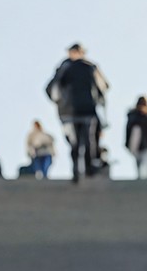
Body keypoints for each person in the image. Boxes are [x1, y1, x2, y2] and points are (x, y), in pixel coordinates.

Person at [45, 44, 108, 183]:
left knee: (77, 142)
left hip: (70, 112)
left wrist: (59, 103)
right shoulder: (90, 67)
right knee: (86, 140)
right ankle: (87, 169)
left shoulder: (65, 68)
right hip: (85, 110)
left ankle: (78, 171)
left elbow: (51, 89)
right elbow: (104, 87)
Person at [125, 96, 147, 179]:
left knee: (145, 163)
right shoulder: (133, 115)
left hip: (146, 143)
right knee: (139, 162)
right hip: (137, 143)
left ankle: (143, 178)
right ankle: (141, 179)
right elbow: (129, 129)